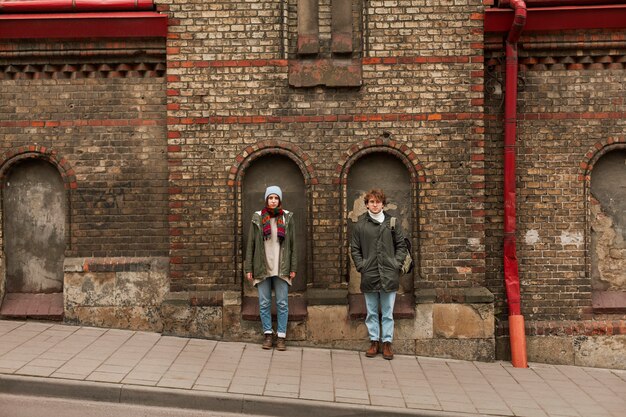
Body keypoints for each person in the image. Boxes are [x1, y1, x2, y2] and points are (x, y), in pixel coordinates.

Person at [350, 188, 408, 360]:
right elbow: (355, 249)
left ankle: (387, 343)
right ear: (367, 205)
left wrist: (395, 264)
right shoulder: (360, 225)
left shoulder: (392, 223)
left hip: (389, 274)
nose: (375, 205)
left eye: (378, 202)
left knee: (388, 311)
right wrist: (362, 266)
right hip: (370, 274)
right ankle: (374, 341)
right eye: (372, 202)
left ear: (383, 204)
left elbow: (401, 246)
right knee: (372, 311)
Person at [244, 185, 297, 351]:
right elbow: (251, 243)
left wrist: (293, 266)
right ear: (266, 199)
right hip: (262, 266)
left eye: (276, 198)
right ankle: (267, 334)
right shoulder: (258, 217)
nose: (273, 201)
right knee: (264, 302)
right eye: (270, 198)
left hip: (282, 267)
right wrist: (249, 268)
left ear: (280, 200)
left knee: (282, 303)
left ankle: (281, 336)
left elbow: (293, 244)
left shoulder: (287, 217)